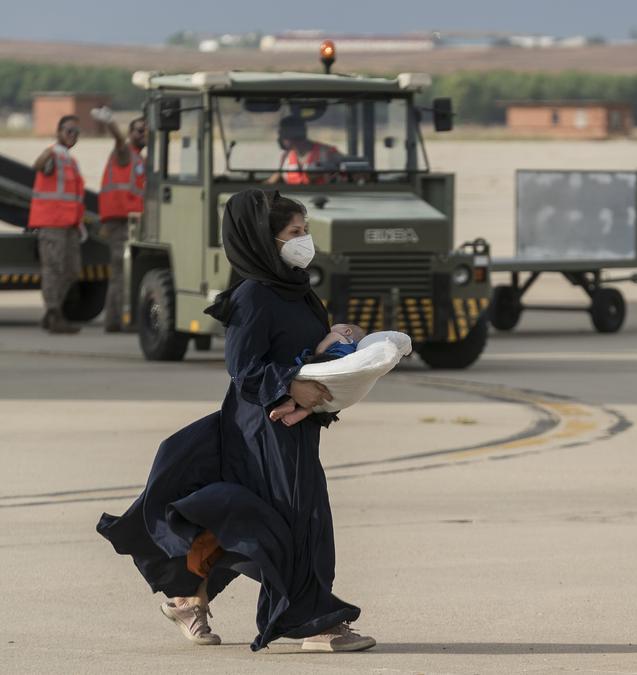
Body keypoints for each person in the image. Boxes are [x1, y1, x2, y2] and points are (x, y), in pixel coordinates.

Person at [97, 190, 376, 652]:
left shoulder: (301, 293)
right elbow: (244, 370)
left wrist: (320, 390)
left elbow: (311, 359)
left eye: (305, 231)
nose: (303, 241)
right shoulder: (252, 298)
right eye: (294, 233)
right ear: (265, 240)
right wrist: (292, 385)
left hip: (296, 428)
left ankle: (188, 596)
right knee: (286, 525)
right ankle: (313, 623)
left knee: (292, 524)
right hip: (259, 431)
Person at [28, 115, 86, 334]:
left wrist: (79, 223)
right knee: (53, 270)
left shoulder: (71, 161)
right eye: (69, 131)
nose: (73, 135)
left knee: (71, 271)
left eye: (76, 132)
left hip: (70, 225)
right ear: (59, 132)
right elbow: (39, 166)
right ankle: (54, 315)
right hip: (52, 224)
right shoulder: (54, 156)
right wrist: (49, 151)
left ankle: (51, 313)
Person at [92, 107, 147, 332]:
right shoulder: (124, 154)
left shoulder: (139, 159)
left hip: (131, 221)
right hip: (120, 221)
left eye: (147, 131)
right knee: (122, 272)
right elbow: (118, 140)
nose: (144, 134)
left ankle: (115, 320)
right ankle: (117, 321)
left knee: (122, 272)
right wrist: (110, 122)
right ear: (130, 133)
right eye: (139, 130)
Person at [268, 116, 342, 185]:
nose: (280, 139)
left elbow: (346, 174)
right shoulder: (286, 157)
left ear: (291, 134)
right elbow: (272, 182)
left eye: (282, 134)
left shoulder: (328, 152)